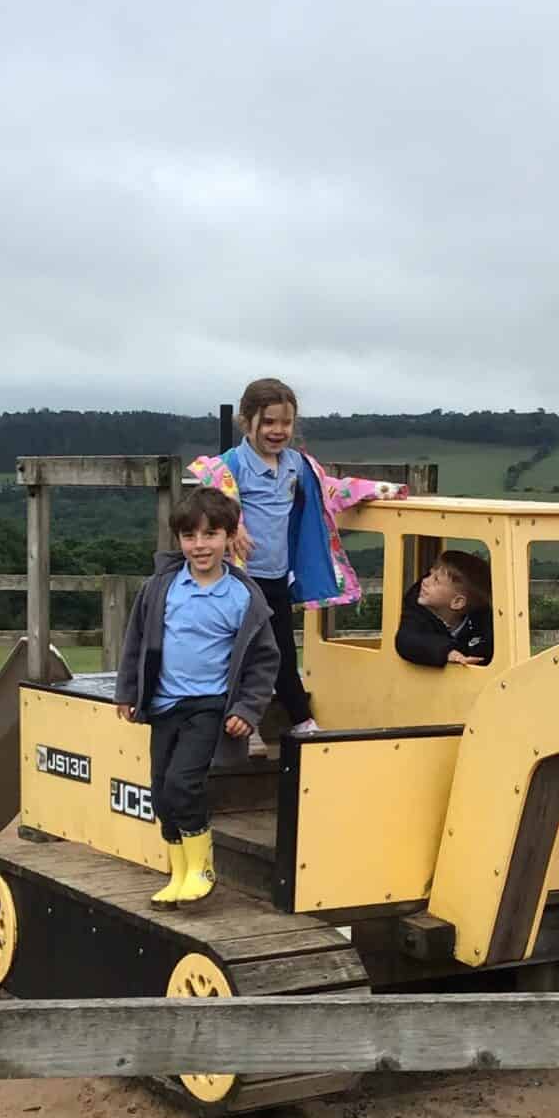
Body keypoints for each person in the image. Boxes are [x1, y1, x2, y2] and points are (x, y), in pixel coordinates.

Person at [187, 377, 406, 737]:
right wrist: (233, 524)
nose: (278, 431)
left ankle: (303, 722)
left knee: (281, 652)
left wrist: (377, 490)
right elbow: (209, 504)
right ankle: (237, 727)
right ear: (246, 422)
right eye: (268, 422)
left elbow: (329, 490)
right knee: (235, 653)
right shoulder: (230, 466)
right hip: (238, 580)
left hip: (276, 578)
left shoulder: (297, 465)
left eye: (285, 423)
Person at [114, 486, 279, 906]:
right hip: (164, 706)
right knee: (160, 791)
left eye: (210, 534)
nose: (200, 545)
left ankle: (202, 868)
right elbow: (135, 642)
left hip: (209, 707)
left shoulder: (243, 597)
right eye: (190, 536)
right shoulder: (161, 587)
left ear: (230, 537)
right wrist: (128, 691)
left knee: (182, 784)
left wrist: (248, 709)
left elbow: (264, 661)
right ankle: (179, 873)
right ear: (179, 540)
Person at [395, 549, 494, 668]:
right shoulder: (416, 614)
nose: (424, 581)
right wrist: (448, 652)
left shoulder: (483, 622)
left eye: (436, 580)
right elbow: (407, 640)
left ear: (457, 602)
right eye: (430, 574)